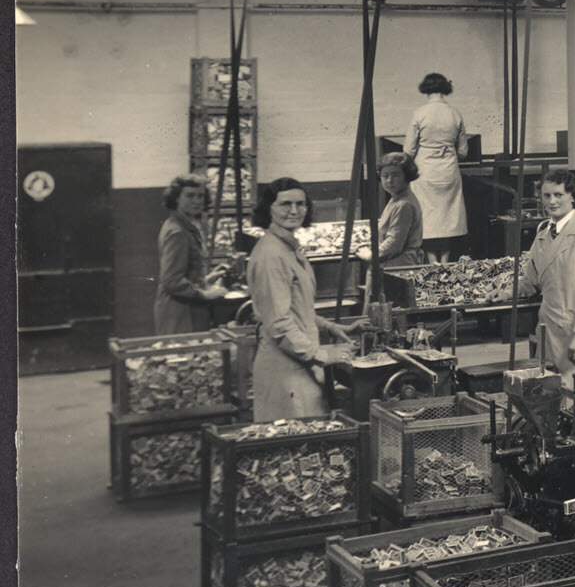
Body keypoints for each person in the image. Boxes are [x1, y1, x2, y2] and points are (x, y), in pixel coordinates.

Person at [247, 179, 354, 420]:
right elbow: (279, 324)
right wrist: (323, 355)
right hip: (284, 370)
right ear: (268, 209)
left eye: (300, 204)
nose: (294, 211)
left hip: (299, 363)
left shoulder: (288, 247)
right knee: (293, 446)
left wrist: (329, 326)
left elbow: (295, 307)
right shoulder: (271, 254)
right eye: (285, 204)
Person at [515, 170, 575, 382]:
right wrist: (507, 293)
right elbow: (531, 281)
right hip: (549, 331)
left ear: (572, 196)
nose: (552, 201)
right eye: (546, 195)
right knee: (547, 400)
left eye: (558, 195)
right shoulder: (542, 234)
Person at [154, 172, 229, 334]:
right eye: (190, 195)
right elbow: (172, 281)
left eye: (200, 196)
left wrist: (207, 279)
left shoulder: (190, 224)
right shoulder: (177, 231)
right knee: (183, 356)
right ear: (176, 198)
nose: (196, 200)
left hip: (188, 307)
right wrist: (205, 294)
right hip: (179, 312)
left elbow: (185, 274)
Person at [407, 71, 469, 261]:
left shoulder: (419, 113)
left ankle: (432, 262)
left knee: (428, 218)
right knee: (447, 218)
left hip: (425, 172)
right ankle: (445, 261)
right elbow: (463, 151)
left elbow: (408, 150)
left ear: (426, 90)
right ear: (445, 89)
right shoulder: (455, 113)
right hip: (449, 171)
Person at [373, 152, 426, 270]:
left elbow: (394, 245)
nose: (389, 180)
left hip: (398, 267)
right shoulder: (397, 198)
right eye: (385, 176)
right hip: (396, 264)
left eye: (395, 175)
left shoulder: (403, 204)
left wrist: (370, 255)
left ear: (406, 176)